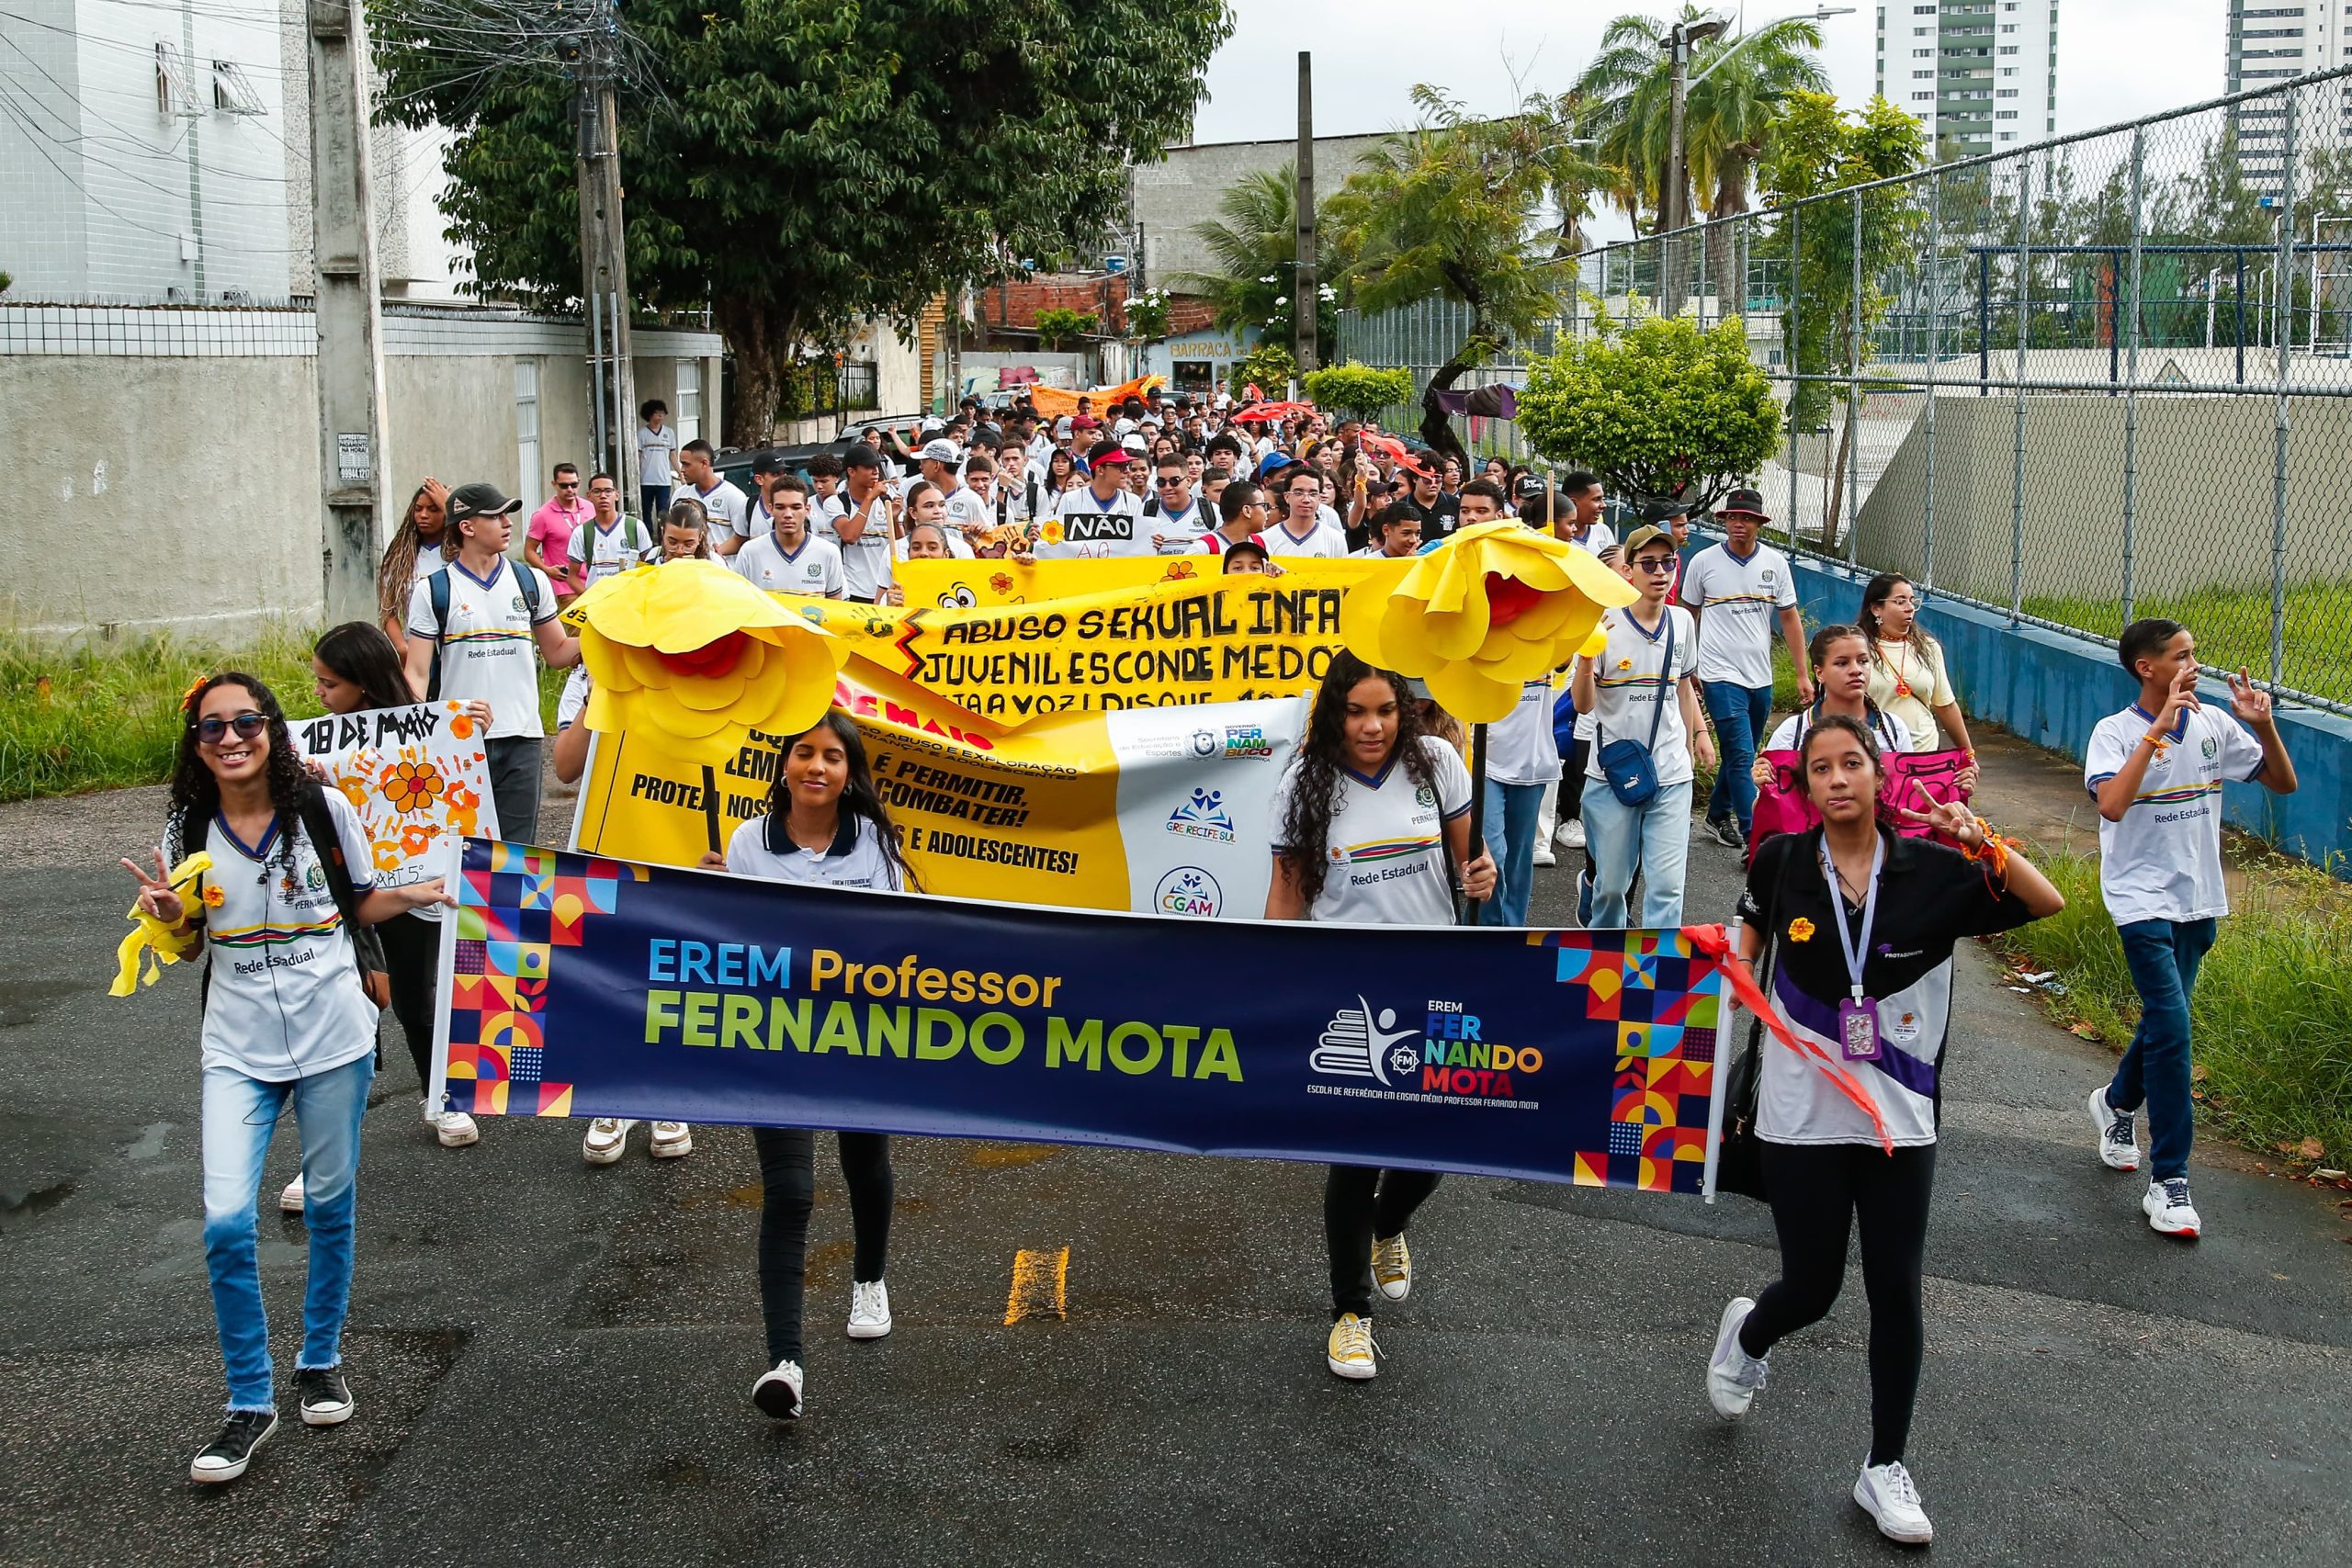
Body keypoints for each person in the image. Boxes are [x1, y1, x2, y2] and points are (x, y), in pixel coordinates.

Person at [1710, 715, 2064, 1546]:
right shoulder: (1782, 861)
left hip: (1902, 1114)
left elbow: (2043, 900)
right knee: (1813, 1285)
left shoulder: (1933, 870)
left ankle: (1884, 1465)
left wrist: (1981, 837)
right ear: (1805, 787)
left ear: (1878, 776)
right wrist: (1728, 969)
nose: (1837, 779)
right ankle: (1748, 1333)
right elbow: (1750, 928)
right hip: (1801, 1109)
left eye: (1852, 764)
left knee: (1896, 1290)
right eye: (1820, 768)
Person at [123, 672, 454, 1484]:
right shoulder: (186, 823)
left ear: (271, 727)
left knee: (332, 1204)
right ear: (196, 744)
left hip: (334, 1035)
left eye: (245, 721)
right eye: (212, 729)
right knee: (227, 1221)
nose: (231, 737)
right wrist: (169, 918)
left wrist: (426, 889)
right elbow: (193, 944)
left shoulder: (324, 809)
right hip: (235, 1046)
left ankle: (321, 1357)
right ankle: (248, 1402)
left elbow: (360, 901)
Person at [1266, 653, 1497, 1381]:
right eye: (1357, 711)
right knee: (1355, 1154)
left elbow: (1472, 865)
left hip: (1437, 980)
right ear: (1336, 712)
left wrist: (1482, 874)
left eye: (1385, 711)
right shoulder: (1304, 785)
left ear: (1404, 710)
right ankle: (1349, 1316)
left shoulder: (1436, 761)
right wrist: (1276, 992)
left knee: (1432, 1152)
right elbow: (1286, 901)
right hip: (1349, 990)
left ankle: (1388, 1225)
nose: (1372, 726)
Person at [697, 713, 917, 1419]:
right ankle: (784, 1362)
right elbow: (728, 943)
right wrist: (706, 894)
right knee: (790, 1192)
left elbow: (900, 943)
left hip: (858, 1036)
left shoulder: (877, 845)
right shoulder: (744, 842)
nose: (816, 767)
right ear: (783, 765)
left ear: (850, 771)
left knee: (864, 1164)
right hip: (777, 1041)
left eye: (831, 756)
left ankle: (870, 1277)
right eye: (803, 753)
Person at [2083, 620, 2297, 1237]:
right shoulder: (2114, 732)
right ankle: (2169, 1180)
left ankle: (2116, 1101)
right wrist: (2157, 732)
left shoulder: (2212, 723)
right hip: (2139, 900)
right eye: (2182, 655)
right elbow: (2113, 805)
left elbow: (2283, 782)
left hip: (2198, 899)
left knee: (2163, 1021)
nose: (2194, 663)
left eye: (2194, 652)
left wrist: (2260, 722)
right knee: (2174, 1029)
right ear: (2148, 667)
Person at [308, 622, 485, 1168]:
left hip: (409, 882)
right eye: (316, 682)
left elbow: (457, 782)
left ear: (363, 683)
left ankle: (441, 1096)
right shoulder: (314, 744)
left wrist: (472, 728)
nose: (319, 694)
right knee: (345, 999)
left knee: (414, 992)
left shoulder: (426, 727)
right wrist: (306, 780)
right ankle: (327, 1135)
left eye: (330, 684)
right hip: (345, 888)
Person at [401, 483, 579, 846]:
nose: (507, 523)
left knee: (516, 855)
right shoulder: (433, 590)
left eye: (507, 515)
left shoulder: (531, 581)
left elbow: (558, 651)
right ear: (467, 527)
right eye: (495, 516)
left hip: (523, 739)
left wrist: (609, 641)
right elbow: (417, 672)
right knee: (460, 851)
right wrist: (411, 734)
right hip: (459, 742)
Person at [1572, 525, 1713, 928]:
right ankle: (1604, 967)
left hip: (1670, 772)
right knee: (1614, 887)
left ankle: (1658, 975)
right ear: (1628, 572)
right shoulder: (1604, 625)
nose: (1659, 572)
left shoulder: (1683, 622)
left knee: (1668, 886)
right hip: (1612, 773)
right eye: (1648, 564)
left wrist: (1697, 737)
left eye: (1667, 563)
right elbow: (1584, 706)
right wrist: (1585, 659)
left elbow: (1683, 687)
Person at [1682, 488, 1814, 852]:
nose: (1739, 524)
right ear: (1724, 521)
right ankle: (1756, 837)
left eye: (1747, 518)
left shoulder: (1775, 564)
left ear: (1759, 523)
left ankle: (1717, 813)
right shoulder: (1703, 562)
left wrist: (1803, 674)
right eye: (1733, 518)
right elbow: (1688, 614)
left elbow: (1789, 619)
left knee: (1745, 749)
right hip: (1718, 673)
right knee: (1741, 755)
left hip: (1760, 675)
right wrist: (1688, 664)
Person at [1859, 574, 1974, 756]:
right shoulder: (1859, 649)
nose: (1910, 608)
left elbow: (1946, 706)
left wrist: (1968, 754)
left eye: (1912, 601)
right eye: (1900, 601)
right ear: (1876, 609)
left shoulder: (1928, 648)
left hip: (1924, 753)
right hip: (1875, 756)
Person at [733, 477, 843, 596]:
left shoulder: (828, 552)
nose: (788, 514)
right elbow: (740, 602)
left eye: (796, 507)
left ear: (807, 510)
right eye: (780, 507)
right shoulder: (750, 552)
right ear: (771, 509)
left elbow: (835, 606)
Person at [1038, 443, 1150, 558]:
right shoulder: (1070, 499)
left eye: (1127, 465)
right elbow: (1058, 545)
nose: (1127, 471)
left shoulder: (1133, 502)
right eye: (1120, 466)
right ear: (1100, 470)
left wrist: (1151, 541)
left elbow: (1138, 546)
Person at [378, 479, 454, 649]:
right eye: (418, 509)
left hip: (456, 648)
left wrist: (451, 508)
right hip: (416, 649)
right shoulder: (401, 555)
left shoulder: (460, 551)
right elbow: (387, 609)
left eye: (434, 509)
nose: (424, 515)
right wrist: (402, 648)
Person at [818, 446, 899, 602]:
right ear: (851, 471)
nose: (875, 471)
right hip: (855, 590)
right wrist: (870, 499)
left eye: (876, 466)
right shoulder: (835, 503)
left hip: (887, 590)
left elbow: (898, 545)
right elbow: (850, 536)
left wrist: (895, 519)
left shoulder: (886, 498)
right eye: (868, 467)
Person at [565, 472, 650, 592]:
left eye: (608, 491)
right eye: (597, 491)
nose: (603, 496)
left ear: (617, 495)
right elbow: (572, 577)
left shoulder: (635, 526)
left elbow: (650, 567)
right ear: (589, 496)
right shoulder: (582, 532)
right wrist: (589, 598)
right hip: (597, 603)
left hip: (629, 600)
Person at [524, 464, 590, 606]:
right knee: (578, 628)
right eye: (564, 486)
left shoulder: (590, 508)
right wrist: (547, 569)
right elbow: (529, 551)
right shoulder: (542, 515)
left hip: (594, 580)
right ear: (554, 484)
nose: (570, 490)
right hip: (566, 586)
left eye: (574, 484)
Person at [676, 440, 750, 556]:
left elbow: (742, 537)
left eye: (686, 464)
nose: (682, 469)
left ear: (704, 464)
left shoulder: (734, 496)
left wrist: (715, 553)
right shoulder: (680, 494)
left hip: (721, 569)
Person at [1264, 463, 1348, 558]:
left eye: (1312, 493)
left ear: (1319, 498)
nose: (1306, 499)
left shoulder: (1336, 540)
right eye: (1298, 493)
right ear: (1287, 497)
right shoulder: (1266, 539)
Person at [1145, 452, 1210, 554]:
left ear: (1188, 481)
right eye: (1161, 482)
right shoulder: (1144, 511)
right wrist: (1146, 546)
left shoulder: (1211, 512)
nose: (1168, 487)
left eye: (1174, 481)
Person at [637, 400, 678, 523]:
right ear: (649, 415)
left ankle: (663, 536)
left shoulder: (669, 432)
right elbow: (637, 456)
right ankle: (648, 536)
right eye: (657, 413)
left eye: (662, 413)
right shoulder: (642, 434)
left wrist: (680, 473)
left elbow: (673, 455)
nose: (660, 416)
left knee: (663, 511)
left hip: (664, 480)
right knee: (646, 510)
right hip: (646, 480)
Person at [1351, 502, 1422, 559]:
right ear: (1386, 530)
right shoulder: (1369, 563)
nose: (1414, 540)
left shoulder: (1422, 562)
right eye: (1406, 533)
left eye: (1417, 533)